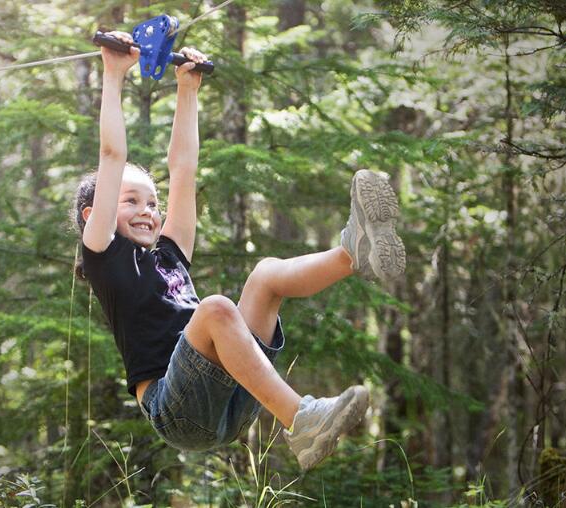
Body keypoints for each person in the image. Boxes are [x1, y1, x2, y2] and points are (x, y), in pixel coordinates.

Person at [71, 31, 406, 471]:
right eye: (130, 201)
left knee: (266, 276)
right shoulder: (104, 255)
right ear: (93, 214)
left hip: (229, 393)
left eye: (152, 203)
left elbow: (184, 170)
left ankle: (353, 251)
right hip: (176, 410)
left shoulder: (168, 254)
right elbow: (112, 156)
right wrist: (113, 76)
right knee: (214, 309)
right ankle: (301, 421)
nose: (148, 211)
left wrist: (188, 91)